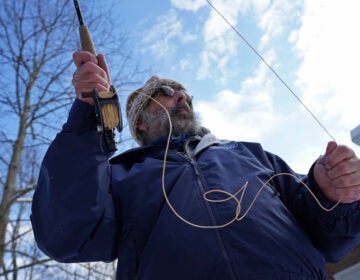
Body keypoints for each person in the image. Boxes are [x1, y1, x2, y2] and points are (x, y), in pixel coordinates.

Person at [31, 51, 360, 280]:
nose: (182, 97)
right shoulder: (118, 176)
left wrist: (332, 194)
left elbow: (330, 237)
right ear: (140, 122)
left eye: (186, 94)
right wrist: (89, 116)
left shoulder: (252, 154)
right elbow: (68, 233)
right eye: (168, 92)